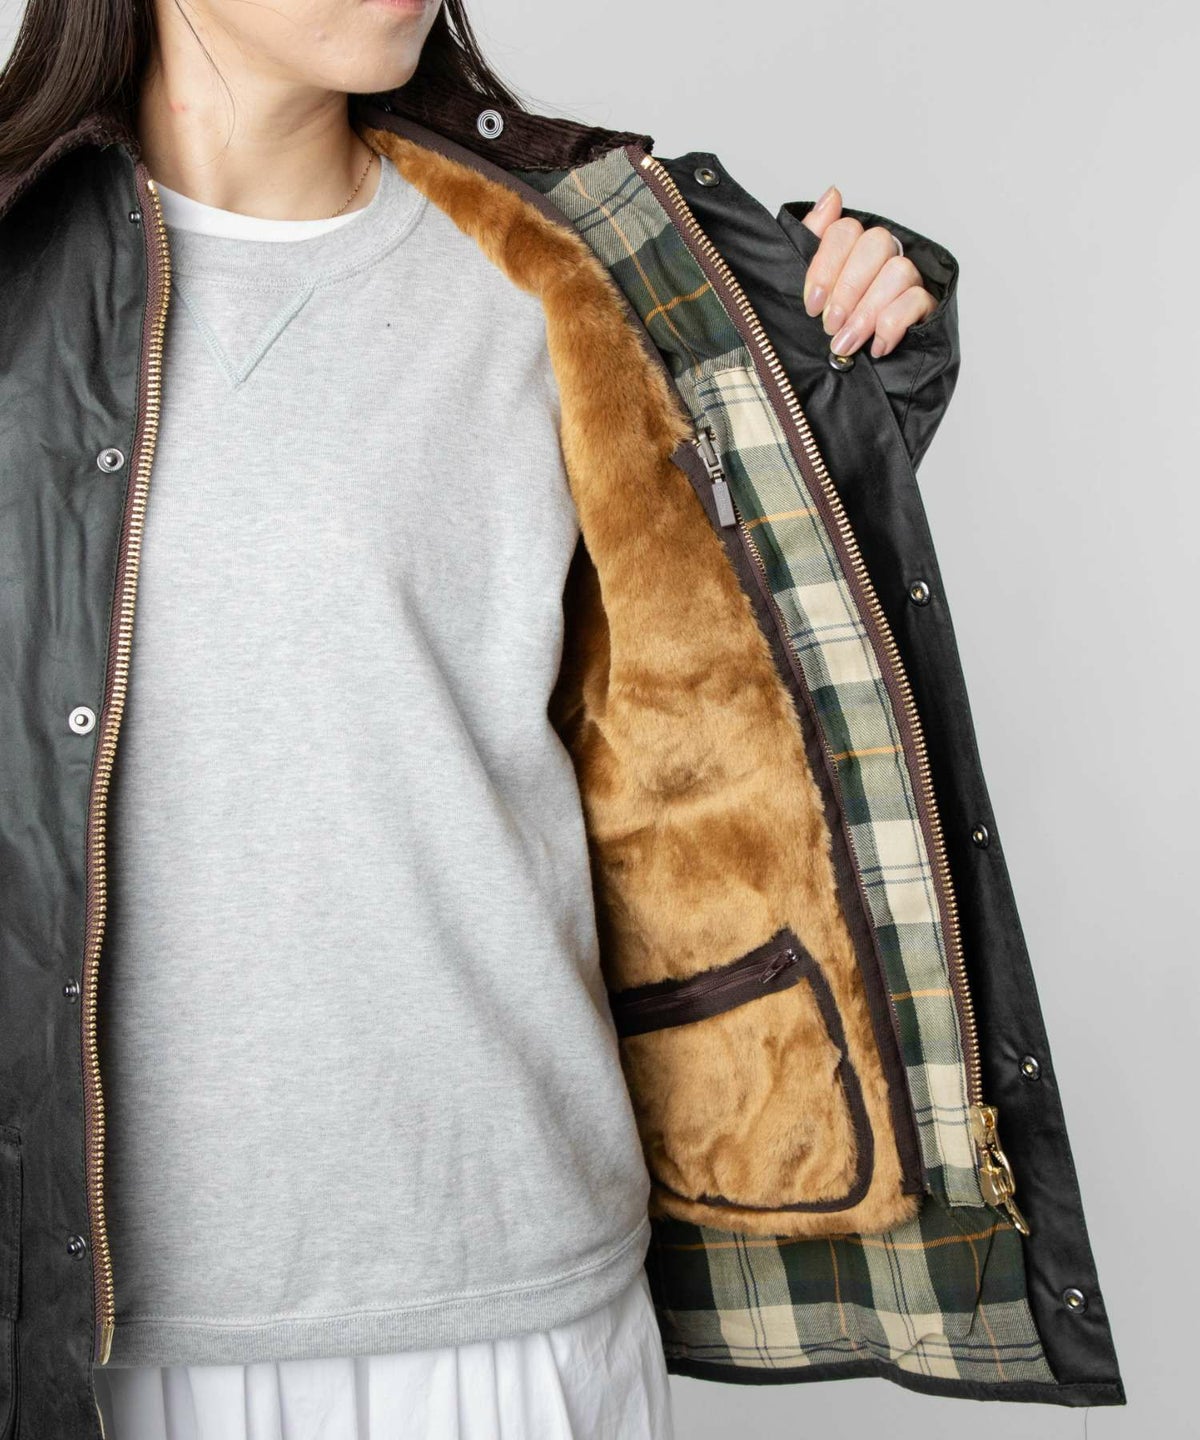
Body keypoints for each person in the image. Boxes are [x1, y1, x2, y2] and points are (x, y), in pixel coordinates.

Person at [0, 2, 1037, 1439]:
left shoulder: (572, 270)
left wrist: (864, 332)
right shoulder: (15, 289)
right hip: (90, 1328)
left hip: (510, 1299)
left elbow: (776, 638)